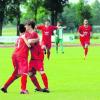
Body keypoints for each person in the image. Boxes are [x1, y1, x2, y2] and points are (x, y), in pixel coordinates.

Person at [24, 20, 49, 93]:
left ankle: (46, 88)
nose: (25, 26)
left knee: (41, 71)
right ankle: (39, 88)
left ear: (29, 26)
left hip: (38, 56)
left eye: (26, 25)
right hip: (33, 57)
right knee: (30, 73)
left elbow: (32, 41)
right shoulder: (28, 34)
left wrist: (30, 41)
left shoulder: (34, 33)